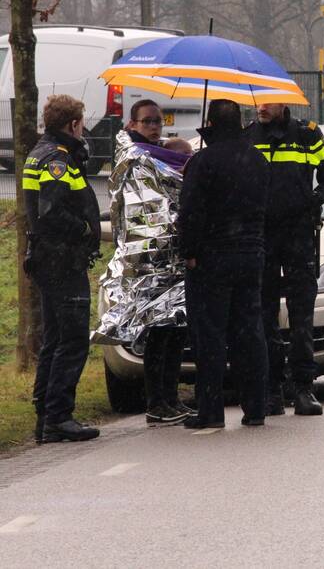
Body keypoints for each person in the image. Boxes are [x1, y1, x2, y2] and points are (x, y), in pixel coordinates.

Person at [177, 99, 270, 429]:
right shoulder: (258, 160)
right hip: (251, 256)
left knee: (210, 336)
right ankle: (256, 407)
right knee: (250, 333)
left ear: (210, 124)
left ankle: (211, 411)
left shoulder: (202, 162)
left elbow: (189, 212)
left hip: (211, 259)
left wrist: (188, 251)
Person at [248, 103, 324, 416]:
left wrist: (311, 202)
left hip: (298, 237)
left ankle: (303, 388)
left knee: (302, 315)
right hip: (262, 237)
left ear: (283, 104)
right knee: (264, 314)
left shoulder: (306, 135)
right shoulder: (249, 137)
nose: (261, 107)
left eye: (268, 101)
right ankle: (272, 389)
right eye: (257, 101)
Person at [22, 95, 101, 443]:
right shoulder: (58, 158)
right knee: (71, 341)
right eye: (81, 122)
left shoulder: (40, 152)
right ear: (73, 124)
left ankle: (46, 415)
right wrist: (84, 229)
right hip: (61, 260)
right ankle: (58, 416)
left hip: (48, 258)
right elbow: (51, 211)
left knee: (54, 340)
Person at [119, 100, 192, 425]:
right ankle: (156, 401)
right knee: (157, 332)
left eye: (158, 122)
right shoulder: (135, 158)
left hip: (172, 258)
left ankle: (170, 398)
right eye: (147, 121)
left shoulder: (165, 154)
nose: (153, 126)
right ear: (132, 124)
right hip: (149, 260)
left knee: (175, 329)